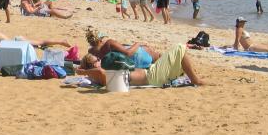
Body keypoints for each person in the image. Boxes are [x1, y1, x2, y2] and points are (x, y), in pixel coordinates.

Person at [77, 44, 205, 87]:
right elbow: (99, 72)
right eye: (97, 60)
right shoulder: (103, 75)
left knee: (178, 53)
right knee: (179, 48)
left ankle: (194, 78)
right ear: (92, 66)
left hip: (152, 72)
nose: (100, 60)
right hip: (153, 77)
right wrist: (83, 72)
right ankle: (196, 80)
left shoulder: (106, 71)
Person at [85, 28, 161, 68]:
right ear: (100, 40)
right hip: (137, 58)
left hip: (129, 67)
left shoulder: (91, 52)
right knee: (157, 55)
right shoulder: (109, 43)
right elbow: (128, 53)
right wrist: (138, 43)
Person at [0, 19, 71, 48]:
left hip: (16, 43)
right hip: (16, 41)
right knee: (41, 43)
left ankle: (61, 41)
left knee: (42, 43)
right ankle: (60, 42)